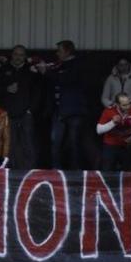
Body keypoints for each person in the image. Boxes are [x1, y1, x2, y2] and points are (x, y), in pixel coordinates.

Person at [38, 40, 88, 170]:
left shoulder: (77, 65)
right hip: (58, 110)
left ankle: (77, 172)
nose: (57, 53)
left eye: (59, 51)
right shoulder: (59, 66)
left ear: (67, 51)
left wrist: (46, 72)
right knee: (55, 142)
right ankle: (57, 171)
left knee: (74, 142)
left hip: (74, 111)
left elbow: (66, 80)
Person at [0, 45, 41, 169]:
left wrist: (31, 110)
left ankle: (31, 171)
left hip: (26, 114)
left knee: (28, 143)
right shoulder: (3, 70)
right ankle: (10, 170)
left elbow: (38, 92)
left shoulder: (31, 72)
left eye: (21, 55)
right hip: (8, 113)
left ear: (25, 57)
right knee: (9, 144)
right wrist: (6, 89)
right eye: (16, 54)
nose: (18, 57)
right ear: (12, 55)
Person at [96, 93, 131, 171]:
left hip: (127, 146)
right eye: (124, 105)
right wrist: (113, 123)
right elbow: (99, 130)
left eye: (129, 103)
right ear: (117, 104)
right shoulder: (108, 111)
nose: (128, 107)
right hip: (110, 145)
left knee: (129, 172)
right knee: (108, 172)